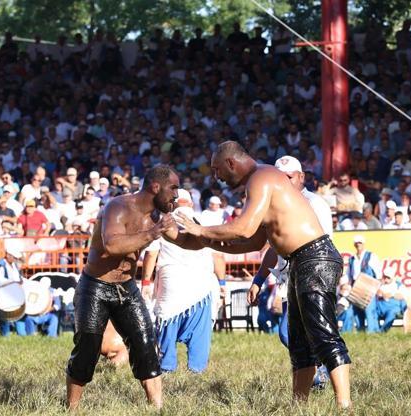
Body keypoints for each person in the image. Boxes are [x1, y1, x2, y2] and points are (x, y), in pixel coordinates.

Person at [167, 142, 351, 408]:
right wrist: (206, 241)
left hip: (315, 257)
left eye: (218, 170)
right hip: (300, 261)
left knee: (323, 335)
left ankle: (345, 406)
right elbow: (253, 242)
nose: (216, 178)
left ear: (231, 163)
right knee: (299, 344)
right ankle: (298, 407)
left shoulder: (262, 177)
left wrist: (202, 231)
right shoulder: (261, 181)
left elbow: (242, 229)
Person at [65, 165, 178, 410]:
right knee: (87, 347)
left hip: (126, 288)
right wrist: (153, 233)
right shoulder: (118, 206)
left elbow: (185, 238)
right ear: (155, 187)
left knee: (145, 342)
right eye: (173, 188)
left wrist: (211, 235)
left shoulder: (157, 217)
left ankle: (157, 408)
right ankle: (71, 409)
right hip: (95, 286)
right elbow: (112, 246)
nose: (176, 195)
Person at [247, 155, 333, 387]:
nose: (284, 181)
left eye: (289, 177)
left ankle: (325, 374)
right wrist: (259, 279)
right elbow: (274, 247)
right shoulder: (275, 202)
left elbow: (320, 246)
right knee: (295, 336)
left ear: (301, 177)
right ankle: (317, 376)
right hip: (289, 278)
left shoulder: (315, 204)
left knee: (299, 333)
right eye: (279, 177)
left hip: (312, 272)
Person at [140, 189, 221, 373]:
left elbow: (151, 253)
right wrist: (222, 283)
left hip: (172, 284)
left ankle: (167, 367)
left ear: (172, 204)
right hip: (201, 285)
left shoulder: (163, 222)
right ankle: (197, 370)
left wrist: (146, 282)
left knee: (167, 329)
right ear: (191, 204)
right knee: (200, 333)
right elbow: (218, 257)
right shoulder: (204, 222)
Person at [346, 235, 381, 333]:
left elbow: (378, 273)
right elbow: (349, 275)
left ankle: (373, 332)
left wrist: (377, 287)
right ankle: (360, 331)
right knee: (356, 311)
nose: (358, 245)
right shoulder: (352, 258)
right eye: (356, 243)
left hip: (368, 287)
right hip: (356, 287)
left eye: (360, 243)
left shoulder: (371, 256)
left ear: (363, 244)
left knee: (370, 311)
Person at [0, 245, 28, 336]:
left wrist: (19, 281)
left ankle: (22, 334)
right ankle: (5, 335)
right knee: (6, 316)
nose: (14, 259)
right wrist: (13, 282)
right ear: (8, 255)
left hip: (14, 293)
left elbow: (17, 276)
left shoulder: (13, 265)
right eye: (13, 257)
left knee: (18, 314)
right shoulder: (1, 264)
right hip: (4, 294)